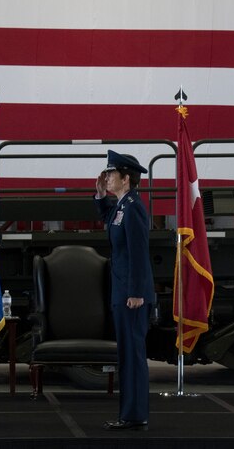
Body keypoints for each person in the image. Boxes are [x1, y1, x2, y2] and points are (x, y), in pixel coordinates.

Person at [95, 150, 155, 431]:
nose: (106, 178)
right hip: (122, 292)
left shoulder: (134, 209)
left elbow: (139, 253)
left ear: (126, 178)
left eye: (111, 174)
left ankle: (134, 415)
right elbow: (108, 222)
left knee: (132, 356)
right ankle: (129, 414)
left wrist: (136, 292)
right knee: (127, 356)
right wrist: (99, 197)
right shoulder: (122, 205)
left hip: (131, 295)